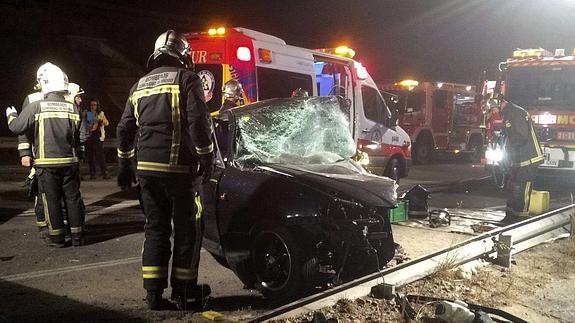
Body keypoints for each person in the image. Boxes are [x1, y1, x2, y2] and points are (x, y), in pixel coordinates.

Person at [116, 29, 214, 310]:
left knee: (155, 230)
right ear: (183, 55)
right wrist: (206, 158)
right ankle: (184, 293)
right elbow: (198, 122)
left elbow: (124, 128)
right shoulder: (187, 79)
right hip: (181, 173)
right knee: (187, 231)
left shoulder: (139, 85)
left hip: (147, 172)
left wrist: (125, 163)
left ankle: (153, 294)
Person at [6, 62, 88, 247]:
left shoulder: (36, 106)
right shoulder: (72, 108)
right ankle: (78, 237)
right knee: (73, 199)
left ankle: (58, 238)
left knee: (51, 200)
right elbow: (78, 137)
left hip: (47, 164)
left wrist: (11, 115)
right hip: (70, 162)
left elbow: (17, 127)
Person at [485, 93, 544, 222]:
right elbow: (508, 135)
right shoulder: (508, 114)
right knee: (512, 186)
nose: (494, 111)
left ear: (501, 103)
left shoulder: (516, 113)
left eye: (494, 108)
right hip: (518, 159)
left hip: (528, 158)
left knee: (522, 187)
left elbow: (521, 136)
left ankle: (521, 217)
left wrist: (509, 146)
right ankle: (511, 215)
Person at [86, 98, 109, 179]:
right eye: (91, 105)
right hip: (90, 135)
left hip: (98, 136)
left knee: (100, 155)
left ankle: (104, 172)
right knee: (91, 156)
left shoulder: (101, 113)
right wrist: (97, 121)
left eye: (94, 105)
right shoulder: (88, 113)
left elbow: (106, 122)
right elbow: (90, 124)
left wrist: (100, 121)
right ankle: (92, 173)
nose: (93, 107)